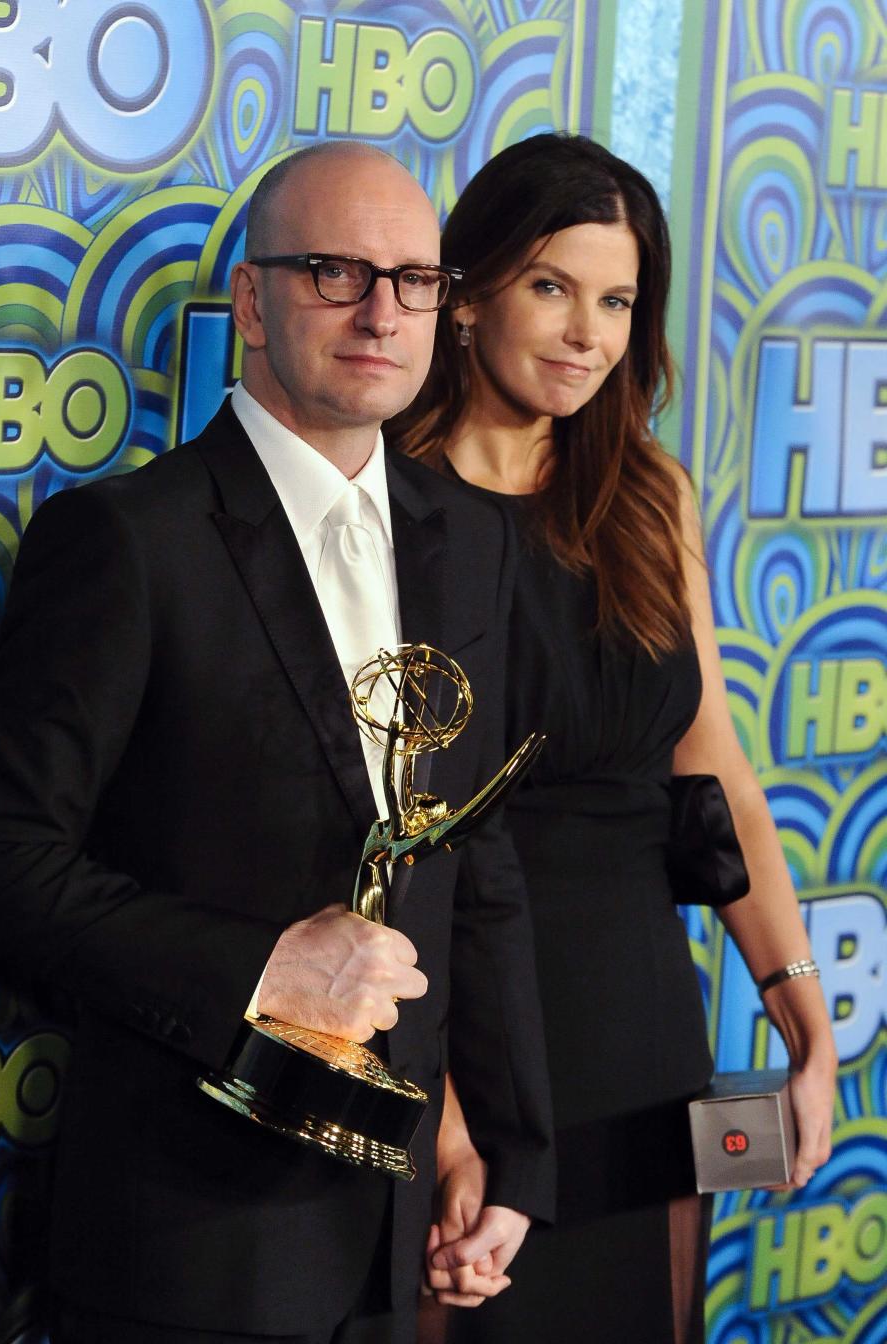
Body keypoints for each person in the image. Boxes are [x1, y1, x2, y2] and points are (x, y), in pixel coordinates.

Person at [0, 142, 555, 1344]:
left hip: (399, 1225)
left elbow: (482, 864)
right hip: (189, 1243)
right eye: (336, 271)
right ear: (251, 304)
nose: (382, 311)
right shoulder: (126, 541)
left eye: (415, 280)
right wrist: (260, 969)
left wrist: (512, 1155)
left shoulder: (474, 539)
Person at [388, 133, 837, 1343]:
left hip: (639, 1008)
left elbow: (717, 772)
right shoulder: (377, 502)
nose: (589, 332)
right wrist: (440, 1105)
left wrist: (804, 1019)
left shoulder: (651, 496)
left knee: (645, 1315)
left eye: (619, 300)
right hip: (454, 1010)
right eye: (552, 286)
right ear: (467, 291)